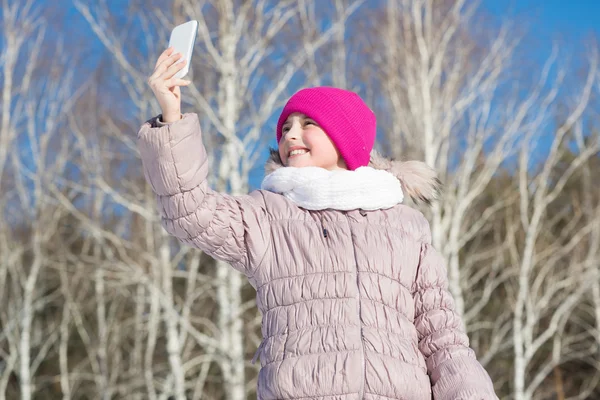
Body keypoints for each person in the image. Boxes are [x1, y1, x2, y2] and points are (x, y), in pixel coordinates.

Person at [137, 47, 498, 400]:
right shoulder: (268, 217)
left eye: (308, 124)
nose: (290, 135)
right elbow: (189, 210)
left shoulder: (404, 225)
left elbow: (443, 340)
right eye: (285, 129)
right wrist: (172, 119)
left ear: (345, 138)